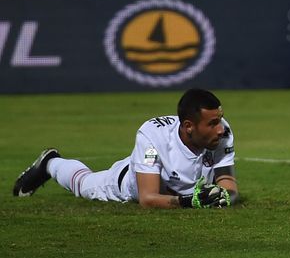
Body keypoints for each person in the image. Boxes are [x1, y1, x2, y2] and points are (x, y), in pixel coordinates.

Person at [12, 89, 237, 208]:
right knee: (82, 184)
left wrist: (224, 197)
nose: (220, 129)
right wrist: (191, 202)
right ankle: (50, 163)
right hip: (126, 184)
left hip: (176, 188)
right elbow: (148, 198)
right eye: (212, 123)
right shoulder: (153, 136)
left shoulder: (222, 133)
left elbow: (228, 183)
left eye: (220, 120)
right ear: (188, 126)